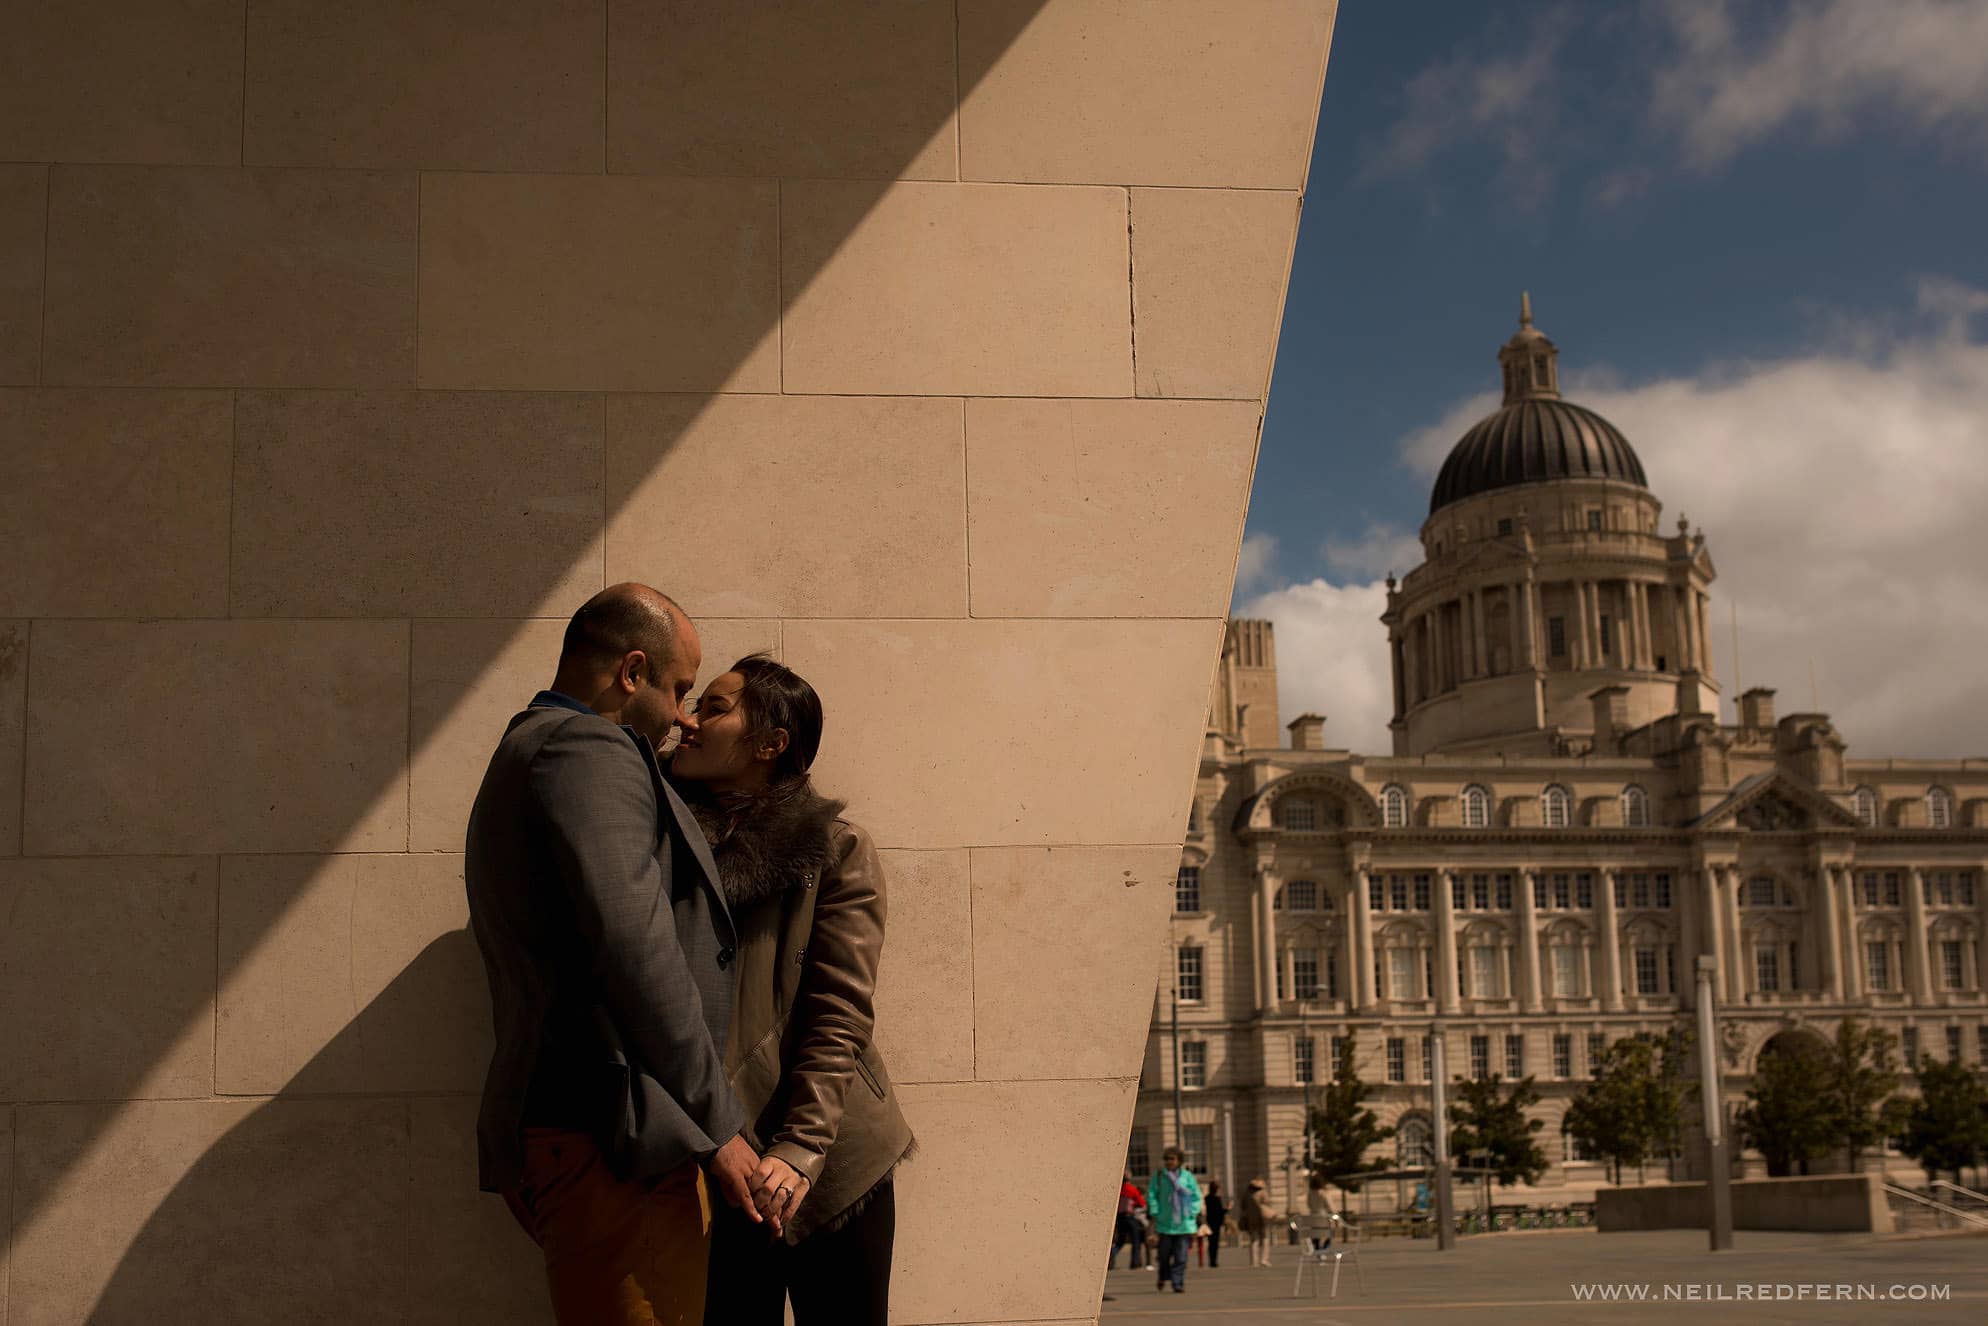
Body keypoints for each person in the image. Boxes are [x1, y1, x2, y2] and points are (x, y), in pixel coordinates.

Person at [464, 584, 762, 1325]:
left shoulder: (528, 748)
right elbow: (635, 947)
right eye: (680, 690)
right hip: (617, 1141)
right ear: (632, 671)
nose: (685, 718)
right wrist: (718, 1124)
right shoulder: (588, 751)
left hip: (583, 1136)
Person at [680, 655, 915, 1326]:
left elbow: (839, 1013)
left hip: (833, 1156)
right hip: (714, 1155)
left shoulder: (836, 850)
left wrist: (802, 1145)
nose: (689, 721)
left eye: (713, 708)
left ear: (769, 744)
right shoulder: (661, 848)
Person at [1146, 1147, 1202, 1293]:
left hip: (1183, 1224)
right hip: (1164, 1223)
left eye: (1172, 1158)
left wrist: (1192, 1212)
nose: (1169, 1162)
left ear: (1179, 1161)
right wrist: (1155, 1210)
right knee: (1164, 1256)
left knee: (1181, 1257)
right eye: (1167, 1159)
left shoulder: (1187, 1176)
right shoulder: (1159, 1176)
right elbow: (1152, 1194)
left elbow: (1196, 1196)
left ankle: (1177, 1283)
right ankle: (1163, 1276)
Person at [1110, 1170, 1148, 1269]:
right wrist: (1134, 1205)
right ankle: (1135, 1263)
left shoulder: (1117, 1189)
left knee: (1120, 1241)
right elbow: (1142, 1203)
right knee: (1135, 1240)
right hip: (1129, 1217)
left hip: (1119, 1218)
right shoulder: (1131, 1189)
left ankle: (1110, 1260)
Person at [1240, 1177, 1276, 1267]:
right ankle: (1264, 1259)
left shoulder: (1247, 1193)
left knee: (1254, 1239)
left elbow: (1242, 1206)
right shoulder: (1262, 1192)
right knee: (1265, 1238)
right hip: (1262, 1218)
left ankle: (1253, 1261)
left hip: (1251, 1219)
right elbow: (1267, 1202)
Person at [1202, 1178, 1228, 1267]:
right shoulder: (1217, 1199)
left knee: (1210, 1243)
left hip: (1209, 1222)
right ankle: (1214, 1261)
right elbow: (1219, 1211)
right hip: (1216, 1223)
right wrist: (1227, 1209)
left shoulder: (1206, 1198)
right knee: (1215, 1243)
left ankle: (1211, 1260)